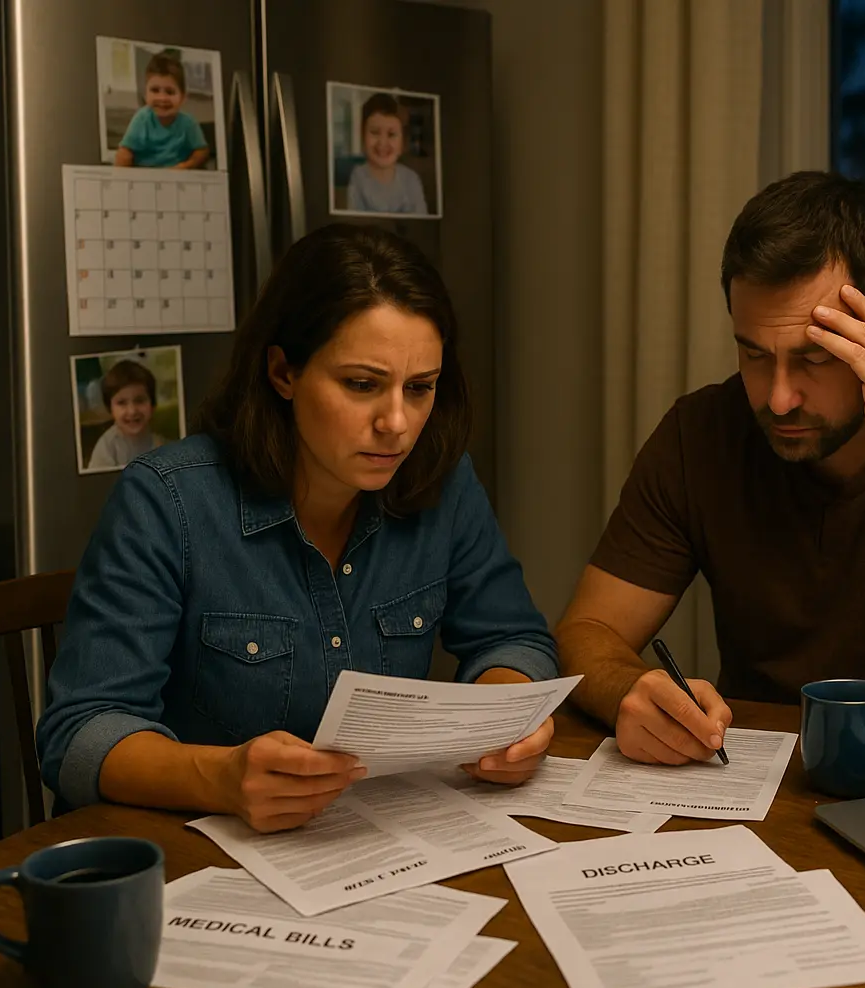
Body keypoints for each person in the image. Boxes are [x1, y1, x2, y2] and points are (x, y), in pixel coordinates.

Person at [37, 224, 556, 832]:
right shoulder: (169, 499)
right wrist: (222, 777)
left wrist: (504, 719)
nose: (397, 423)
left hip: (372, 845)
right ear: (283, 372)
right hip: (191, 854)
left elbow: (513, 639)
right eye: (362, 385)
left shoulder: (443, 480)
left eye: (420, 389)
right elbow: (80, 731)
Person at [555, 170, 865, 765]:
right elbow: (586, 631)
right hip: (760, 791)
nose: (778, 399)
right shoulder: (700, 433)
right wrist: (630, 690)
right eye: (753, 354)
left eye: (816, 357)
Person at [113, 51, 210, 170]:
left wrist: (186, 165)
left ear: (183, 97)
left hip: (177, 175)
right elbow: (125, 150)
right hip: (145, 175)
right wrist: (123, 162)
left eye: (170, 92)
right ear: (145, 94)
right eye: (155, 90)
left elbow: (202, 151)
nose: (162, 98)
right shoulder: (141, 119)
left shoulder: (188, 123)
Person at [346, 92, 429, 216]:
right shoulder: (358, 177)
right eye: (374, 132)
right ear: (362, 137)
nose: (382, 143)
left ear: (403, 143)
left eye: (391, 134)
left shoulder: (411, 180)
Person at [85, 358, 169, 471]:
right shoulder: (107, 448)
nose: (132, 411)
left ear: (152, 405)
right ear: (110, 409)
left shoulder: (161, 445)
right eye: (122, 403)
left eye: (139, 401)